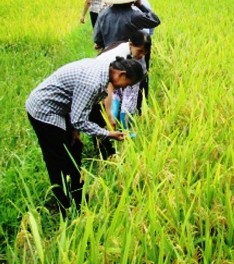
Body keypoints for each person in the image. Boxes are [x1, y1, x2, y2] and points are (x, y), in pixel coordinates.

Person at [26, 57, 145, 214]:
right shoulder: (93, 81)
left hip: (62, 109)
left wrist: (74, 131)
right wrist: (108, 134)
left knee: (75, 149)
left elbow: (80, 108)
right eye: (126, 84)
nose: (122, 89)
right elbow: (79, 120)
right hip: (44, 110)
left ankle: (77, 196)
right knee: (59, 159)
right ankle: (65, 206)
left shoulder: (104, 70)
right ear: (121, 74)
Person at [93, 0, 161, 52]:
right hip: (128, 58)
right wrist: (140, 5)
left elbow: (97, 39)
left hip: (108, 55)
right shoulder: (134, 16)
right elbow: (155, 21)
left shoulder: (103, 14)